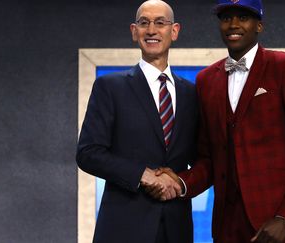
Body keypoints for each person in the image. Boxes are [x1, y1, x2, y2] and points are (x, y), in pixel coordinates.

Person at [151, 0, 285, 242]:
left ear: (259, 26)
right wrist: (181, 182)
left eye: (243, 17)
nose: (233, 25)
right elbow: (209, 159)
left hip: (276, 228)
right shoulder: (206, 80)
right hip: (227, 228)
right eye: (226, 18)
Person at [76, 1, 198, 242]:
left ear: (174, 31)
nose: (151, 30)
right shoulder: (110, 87)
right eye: (144, 23)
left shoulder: (191, 93)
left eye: (160, 23)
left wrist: (180, 183)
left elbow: (203, 157)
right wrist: (142, 175)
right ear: (134, 31)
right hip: (123, 228)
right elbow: (88, 153)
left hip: (176, 229)